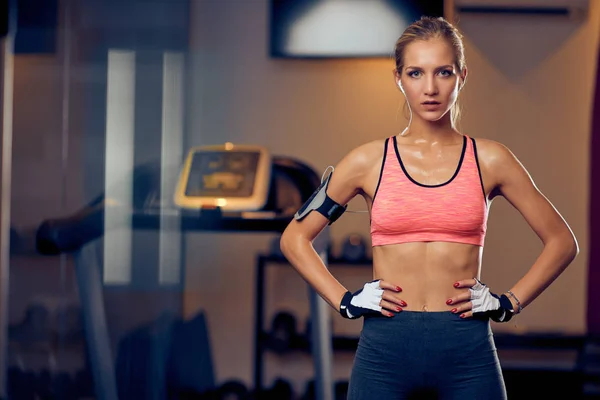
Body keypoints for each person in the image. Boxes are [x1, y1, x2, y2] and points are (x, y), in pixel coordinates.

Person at [279, 15, 579, 400]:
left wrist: (507, 304)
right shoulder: (366, 161)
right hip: (385, 348)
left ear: (462, 76)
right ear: (398, 79)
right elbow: (294, 239)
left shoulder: (491, 159)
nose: (431, 88)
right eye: (416, 73)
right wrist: (345, 301)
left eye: (444, 72)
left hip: (466, 348)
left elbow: (562, 242)